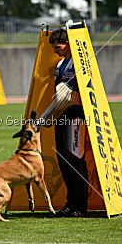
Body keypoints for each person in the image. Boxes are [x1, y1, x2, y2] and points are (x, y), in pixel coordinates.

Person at [39, 29, 89, 217]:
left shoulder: (80, 62)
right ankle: (71, 204)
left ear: (68, 43)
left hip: (75, 117)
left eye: (58, 46)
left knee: (74, 160)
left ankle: (80, 206)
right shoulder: (61, 65)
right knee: (63, 161)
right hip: (62, 117)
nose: (55, 50)